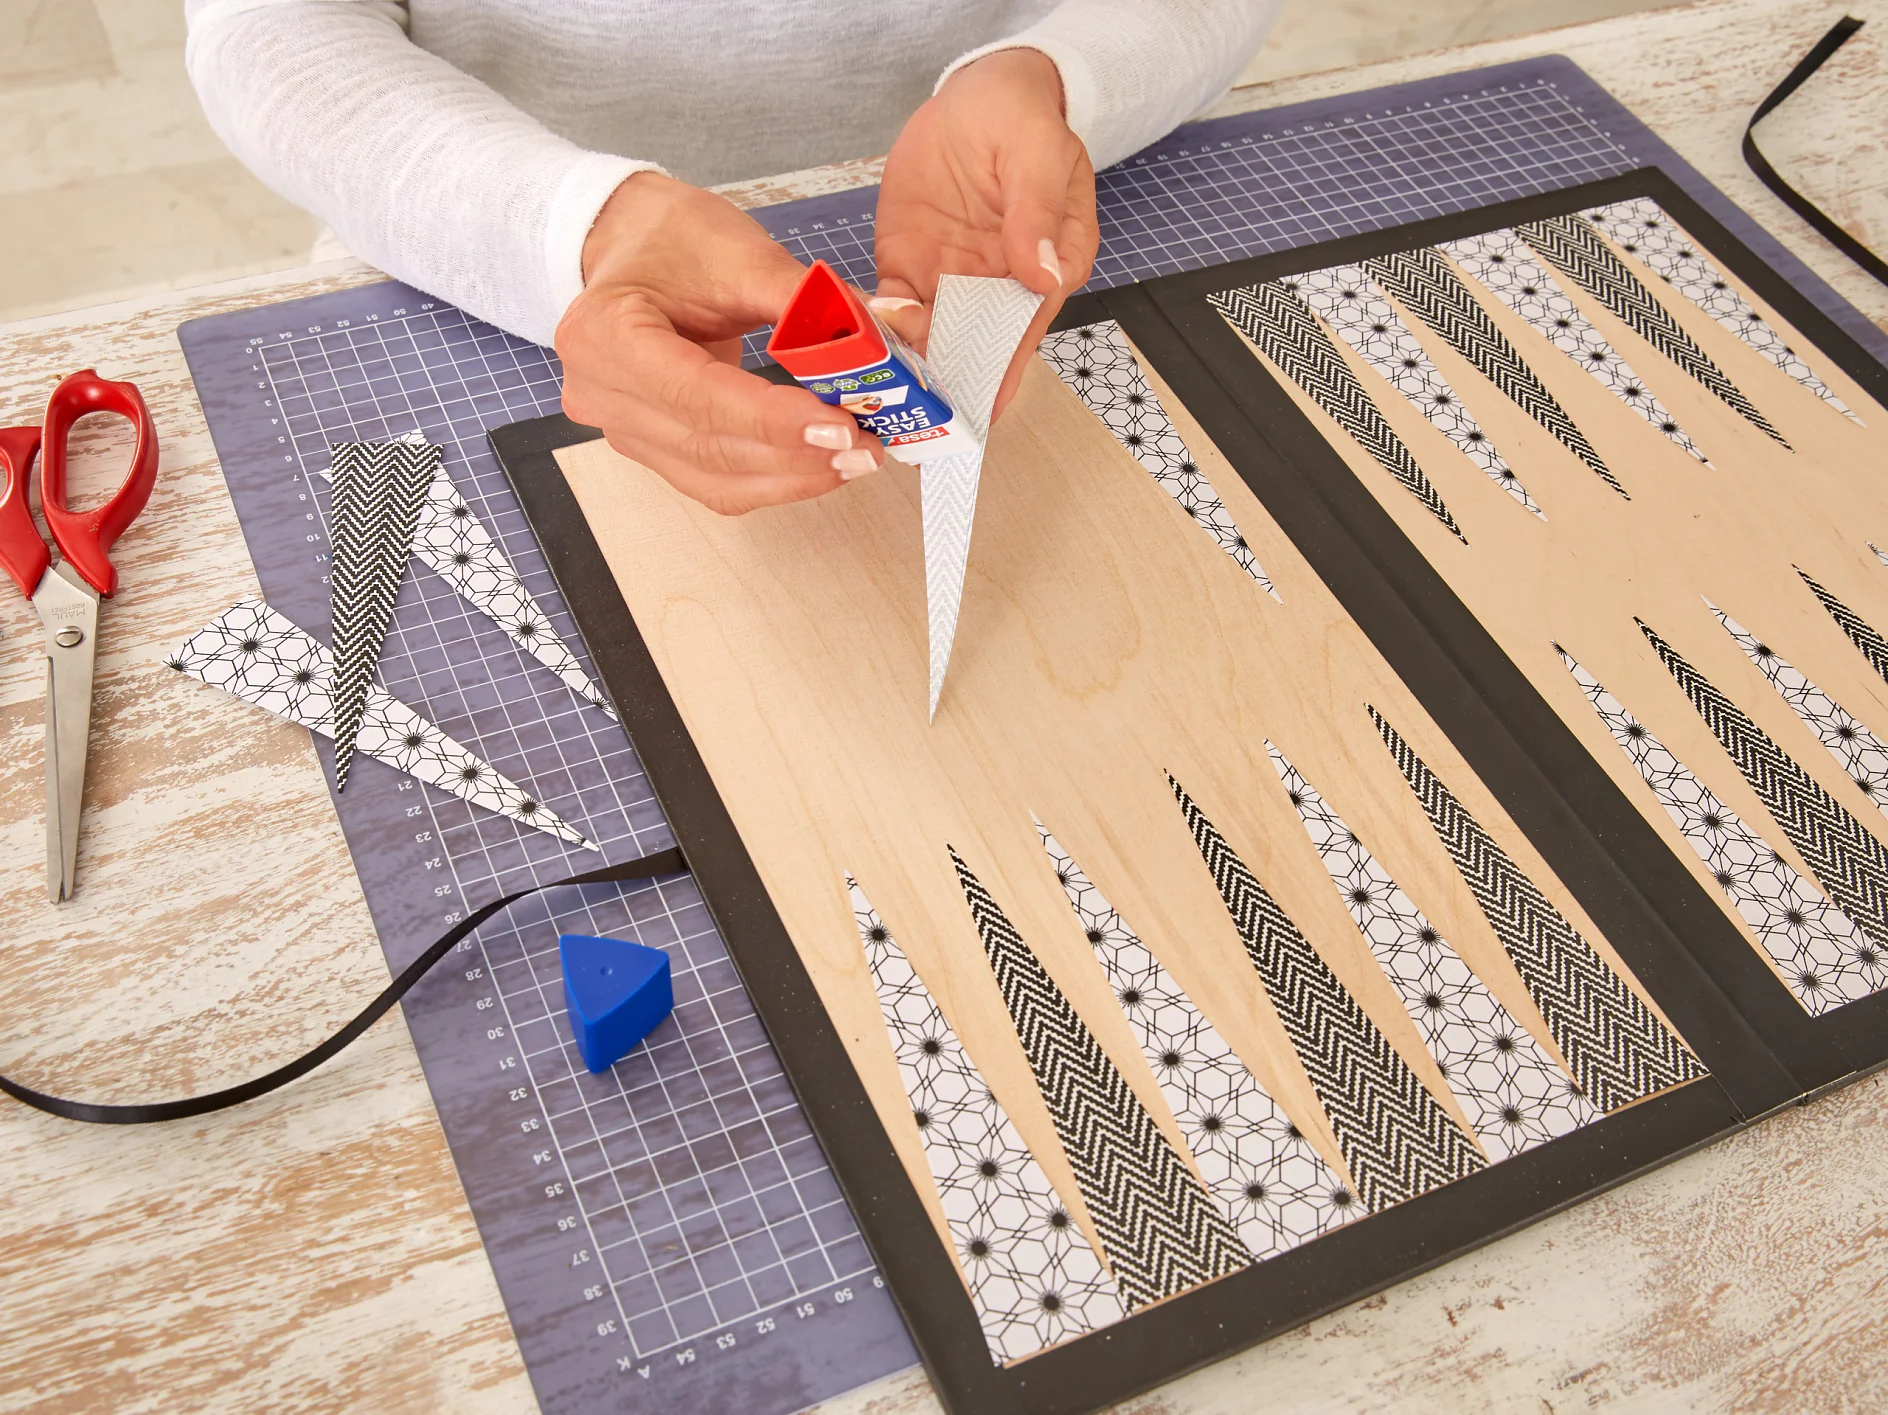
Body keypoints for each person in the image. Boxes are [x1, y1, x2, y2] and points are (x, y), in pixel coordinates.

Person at [186, 2, 1279, 514]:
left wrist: (1054, 76)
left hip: (1029, 197)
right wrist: (570, 226)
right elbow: (264, 28)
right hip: (469, 238)